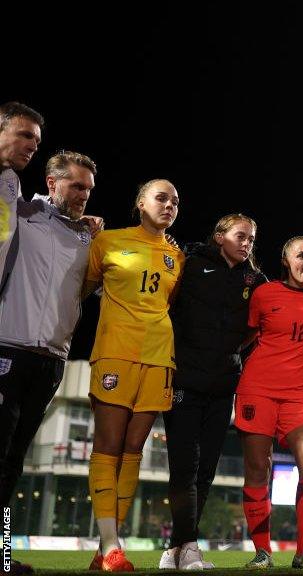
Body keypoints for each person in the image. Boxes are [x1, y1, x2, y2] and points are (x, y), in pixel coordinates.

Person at [0, 150, 99, 576]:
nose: (83, 196)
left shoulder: (90, 238)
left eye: (89, 190)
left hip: (52, 362)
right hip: (9, 349)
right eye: (76, 186)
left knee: (13, 462)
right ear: (53, 181)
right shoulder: (20, 212)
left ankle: (1, 555)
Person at [84, 179, 185, 571]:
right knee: (108, 446)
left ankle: (106, 549)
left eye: (175, 202)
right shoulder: (106, 241)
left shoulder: (176, 256)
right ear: (140, 202)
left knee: (132, 451)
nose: (169, 205)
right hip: (114, 354)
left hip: (160, 358)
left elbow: (169, 304)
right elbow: (84, 290)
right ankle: (112, 545)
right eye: (161, 198)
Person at [160, 214, 267, 570]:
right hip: (185, 380)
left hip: (224, 385)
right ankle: (187, 545)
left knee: (206, 469)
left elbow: (257, 327)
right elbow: (167, 306)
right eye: (241, 236)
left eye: (251, 238)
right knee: (184, 468)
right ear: (220, 236)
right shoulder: (190, 263)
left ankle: (177, 547)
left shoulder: (255, 279)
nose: (247, 243)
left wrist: (234, 349)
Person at [236, 236, 303, 570]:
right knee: (257, 468)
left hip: (300, 395)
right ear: (285, 259)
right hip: (257, 390)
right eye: (302, 256)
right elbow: (245, 336)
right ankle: (262, 552)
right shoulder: (264, 294)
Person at [0, 102, 43, 286]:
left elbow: (27, 216)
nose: (33, 147)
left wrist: (73, 220)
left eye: (37, 141)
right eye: (26, 135)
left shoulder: (11, 180)